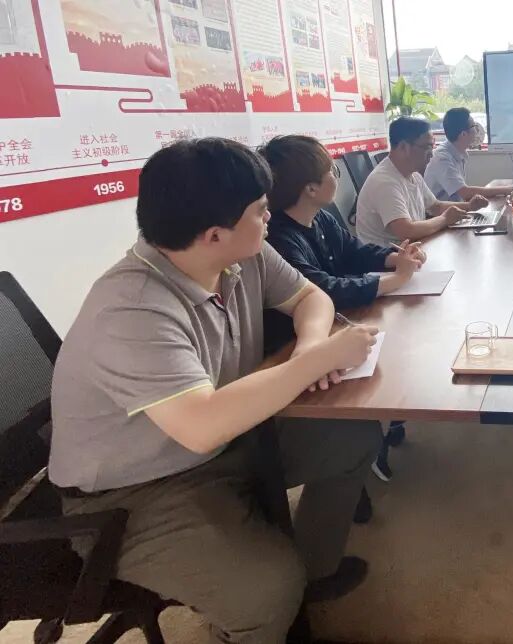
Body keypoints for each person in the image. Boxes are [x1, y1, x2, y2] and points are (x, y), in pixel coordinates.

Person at [48, 138, 385, 642]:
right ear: (213, 234)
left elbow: (310, 297)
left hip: (226, 440)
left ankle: (311, 579)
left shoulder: (242, 254)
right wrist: (318, 361)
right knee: (265, 591)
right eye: (261, 210)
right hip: (134, 492)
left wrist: (310, 349)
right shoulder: (130, 309)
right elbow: (201, 427)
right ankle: (270, 608)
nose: (270, 218)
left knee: (350, 438)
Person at [260, 134, 425, 483]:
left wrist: (395, 257)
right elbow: (325, 288)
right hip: (293, 343)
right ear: (310, 188)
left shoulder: (320, 218)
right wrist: (395, 281)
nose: (337, 176)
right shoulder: (278, 237)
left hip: (335, 323)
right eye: (332, 171)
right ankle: (361, 450)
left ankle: (382, 428)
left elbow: (353, 250)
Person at [354, 116, 488, 247]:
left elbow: (436, 207)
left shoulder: (413, 175)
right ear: (403, 147)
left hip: (412, 250)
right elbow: (406, 231)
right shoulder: (384, 182)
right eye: (427, 147)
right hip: (387, 258)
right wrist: (444, 219)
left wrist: (469, 206)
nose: (431, 153)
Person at [424, 107, 511, 201]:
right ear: (463, 134)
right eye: (474, 126)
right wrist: (507, 190)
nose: (477, 131)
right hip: (441, 210)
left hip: (456, 207)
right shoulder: (442, 158)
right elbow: (464, 192)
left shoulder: (458, 152)